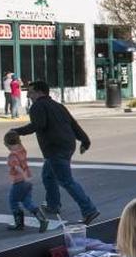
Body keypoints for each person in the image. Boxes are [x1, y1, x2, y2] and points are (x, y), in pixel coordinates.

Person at [9, 80, 100, 225]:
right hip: (67, 145)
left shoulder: (37, 106)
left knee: (66, 181)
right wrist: (85, 141)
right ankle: (53, 205)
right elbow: (73, 124)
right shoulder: (58, 106)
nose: (28, 96)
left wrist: (17, 131)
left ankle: (89, 210)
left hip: (55, 148)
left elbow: (38, 125)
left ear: (40, 92)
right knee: (48, 176)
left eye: (31, 92)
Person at [3, 131, 48, 232]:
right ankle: (42, 219)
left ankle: (19, 224)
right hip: (28, 181)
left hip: (19, 182)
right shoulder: (22, 150)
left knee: (13, 201)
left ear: (7, 144)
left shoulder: (12, 156)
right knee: (27, 202)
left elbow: (16, 166)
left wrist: (23, 176)